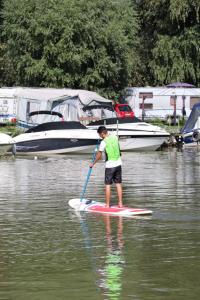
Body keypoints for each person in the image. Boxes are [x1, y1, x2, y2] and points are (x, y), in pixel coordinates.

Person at [90, 126, 123, 208]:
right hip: (118, 163)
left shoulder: (103, 142)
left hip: (110, 166)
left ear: (102, 133)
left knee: (107, 185)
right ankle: (120, 204)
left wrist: (93, 163)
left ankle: (107, 205)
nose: (99, 137)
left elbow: (99, 155)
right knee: (118, 184)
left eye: (99, 135)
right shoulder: (115, 137)